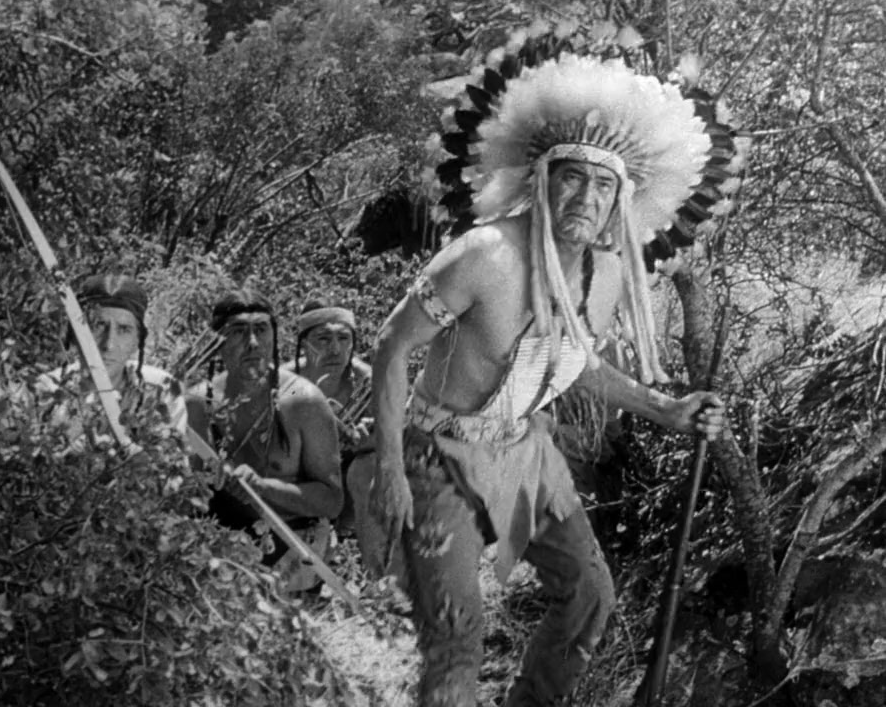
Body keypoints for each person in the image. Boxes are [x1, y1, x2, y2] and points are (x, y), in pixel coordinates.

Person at [366, 53, 726, 706]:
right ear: (542, 179)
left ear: (621, 199)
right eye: (573, 178)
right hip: (435, 456)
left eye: (604, 185)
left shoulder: (607, 274)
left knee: (590, 596)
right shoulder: (484, 256)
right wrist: (389, 468)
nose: (586, 198)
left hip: (523, 453)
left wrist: (666, 409)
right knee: (456, 635)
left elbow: (576, 360)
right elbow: (391, 348)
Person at [186, 288, 343, 591]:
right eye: (238, 331)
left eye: (261, 329)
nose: (253, 343)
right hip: (221, 547)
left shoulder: (303, 401)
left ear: (274, 336)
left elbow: (332, 501)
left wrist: (261, 487)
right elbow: (188, 497)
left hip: (293, 543)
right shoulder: (197, 403)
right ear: (217, 342)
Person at [36, 274, 187, 441]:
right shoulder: (44, 392)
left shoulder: (161, 392)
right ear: (75, 336)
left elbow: (169, 453)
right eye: (98, 326)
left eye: (124, 330)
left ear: (137, 341)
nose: (109, 344)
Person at [284, 300, 373, 530]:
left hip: (345, 471)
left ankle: (349, 530)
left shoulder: (367, 383)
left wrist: (368, 438)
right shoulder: (285, 382)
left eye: (343, 338)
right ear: (304, 345)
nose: (335, 349)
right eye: (323, 339)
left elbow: (394, 434)